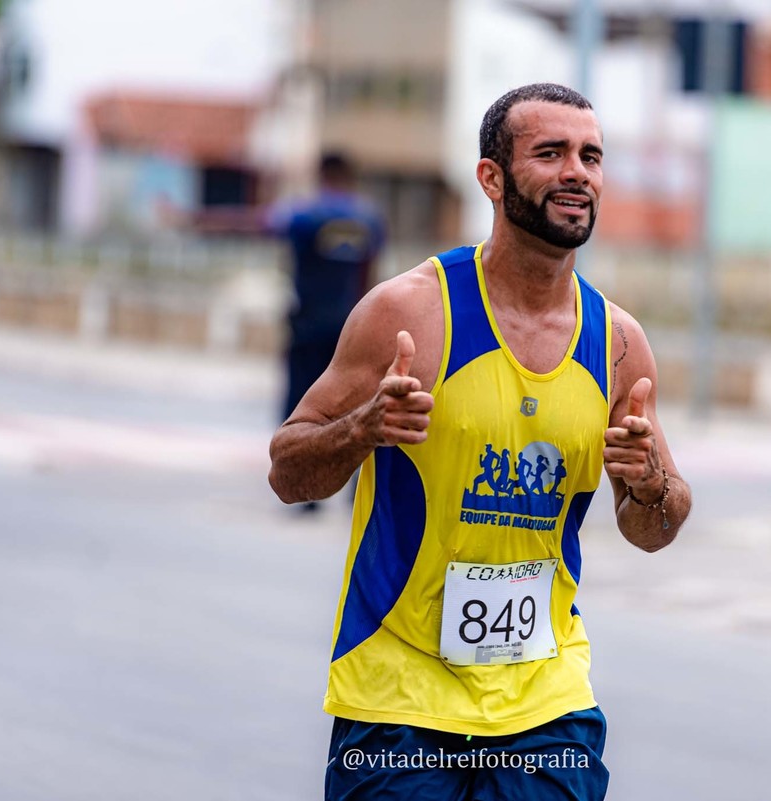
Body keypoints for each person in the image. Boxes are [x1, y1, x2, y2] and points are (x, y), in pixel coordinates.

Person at [269, 83, 691, 801]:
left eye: (591, 156)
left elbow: (654, 528)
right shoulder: (411, 312)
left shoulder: (618, 343)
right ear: (491, 178)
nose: (576, 172)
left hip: (547, 703)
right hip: (399, 695)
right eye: (550, 153)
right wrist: (363, 428)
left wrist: (651, 483)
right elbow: (288, 472)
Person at [267, 152, 387, 423]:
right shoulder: (369, 218)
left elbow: (264, 224)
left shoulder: (305, 214)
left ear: (321, 175)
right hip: (350, 322)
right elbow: (372, 270)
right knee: (343, 401)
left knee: (300, 402)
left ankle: (295, 442)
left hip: (308, 321)